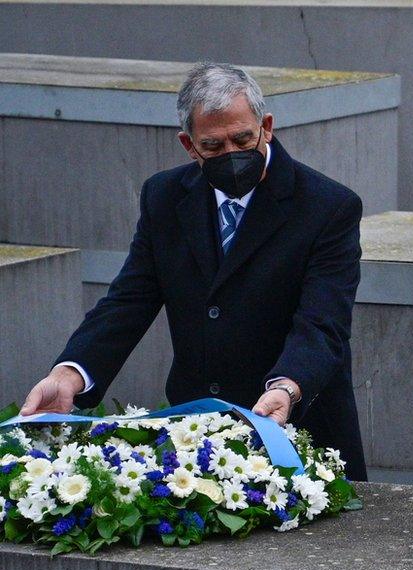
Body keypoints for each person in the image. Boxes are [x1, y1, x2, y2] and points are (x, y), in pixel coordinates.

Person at [20, 62, 368, 480]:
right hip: (196, 440)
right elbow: (129, 301)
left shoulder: (328, 207)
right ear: (189, 145)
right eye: (214, 146)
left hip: (299, 431)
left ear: (267, 126)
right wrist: (70, 374)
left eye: (242, 139)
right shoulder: (164, 197)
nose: (232, 155)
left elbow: (322, 323)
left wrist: (286, 387)